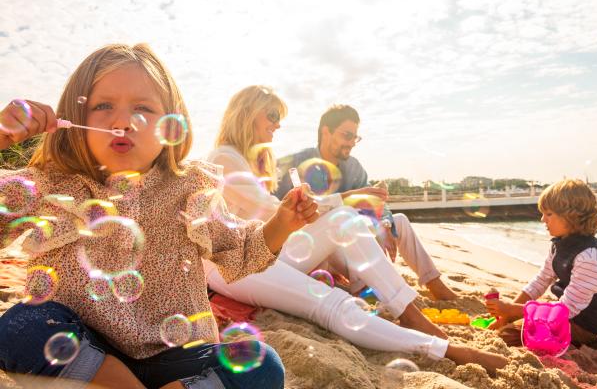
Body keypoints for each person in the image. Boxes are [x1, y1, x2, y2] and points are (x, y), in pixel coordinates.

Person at [0, 44, 320, 389]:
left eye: (143, 108)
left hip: (178, 360)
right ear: (72, 122)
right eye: (103, 106)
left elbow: (241, 249)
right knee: (20, 325)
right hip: (85, 355)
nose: (122, 121)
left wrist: (283, 224)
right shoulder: (51, 185)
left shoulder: (190, 188)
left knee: (263, 365)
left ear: (170, 126)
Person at [203, 86, 508, 375]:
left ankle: (410, 313)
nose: (278, 125)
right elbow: (272, 211)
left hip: (264, 252)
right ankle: (440, 348)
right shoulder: (224, 158)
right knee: (328, 302)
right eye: (272, 116)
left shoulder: (254, 161)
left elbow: (277, 225)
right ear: (245, 112)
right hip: (234, 264)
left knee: (343, 220)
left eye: (279, 118)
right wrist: (339, 199)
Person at [275, 104, 456, 300]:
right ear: (326, 132)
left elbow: (375, 203)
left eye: (355, 137)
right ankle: (365, 289)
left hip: (350, 247)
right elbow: (284, 210)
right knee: (343, 222)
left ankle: (434, 283)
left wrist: (385, 222)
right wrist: (351, 199)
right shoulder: (296, 163)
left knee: (399, 221)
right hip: (313, 247)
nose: (352, 142)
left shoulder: (353, 167)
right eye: (347, 135)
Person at [485, 179, 597, 348]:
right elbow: (540, 281)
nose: (542, 219)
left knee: (509, 335)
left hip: (580, 326)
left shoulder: (591, 257)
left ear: (572, 217)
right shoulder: (559, 244)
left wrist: (513, 310)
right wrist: (506, 315)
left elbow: (565, 310)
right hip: (563, 314)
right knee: (510, 326)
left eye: (549, 214)